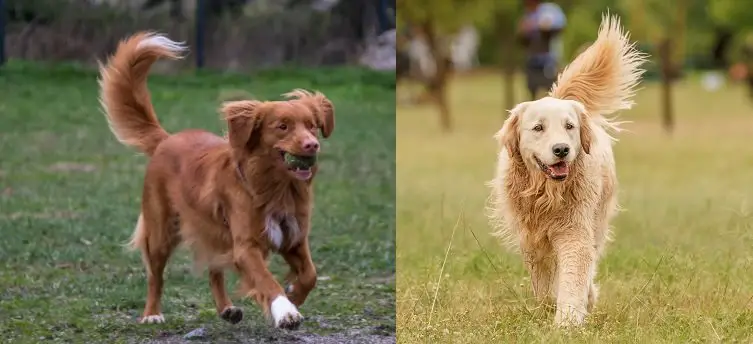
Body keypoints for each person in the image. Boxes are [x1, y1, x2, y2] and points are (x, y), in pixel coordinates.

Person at [516, 0, 567, 100]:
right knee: (532, 90)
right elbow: (522, 35)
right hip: (532, 60)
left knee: (553, 90)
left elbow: (560, 24)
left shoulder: (549, 10)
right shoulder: (527, 14)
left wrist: (541, 25)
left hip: (549, 59)